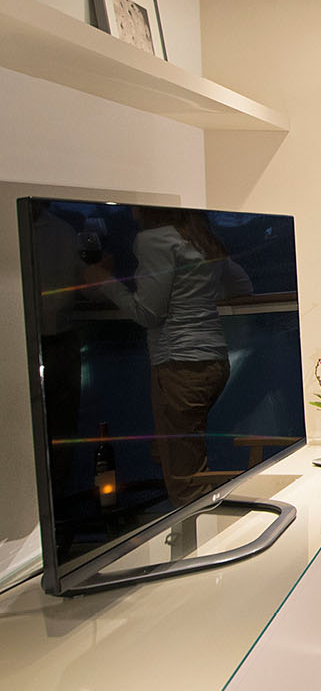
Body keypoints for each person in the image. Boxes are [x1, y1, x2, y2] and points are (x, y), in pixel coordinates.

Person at [85, 208, 252, 505]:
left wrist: (105, 281)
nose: (133, 209)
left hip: (179, 365)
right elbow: (242, 286)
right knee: (168, 450)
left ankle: (205, 529)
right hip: (214, 362)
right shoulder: (200, 238)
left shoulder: (154, 240)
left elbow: (149, 314)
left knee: (184, 481)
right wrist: (197, 298)